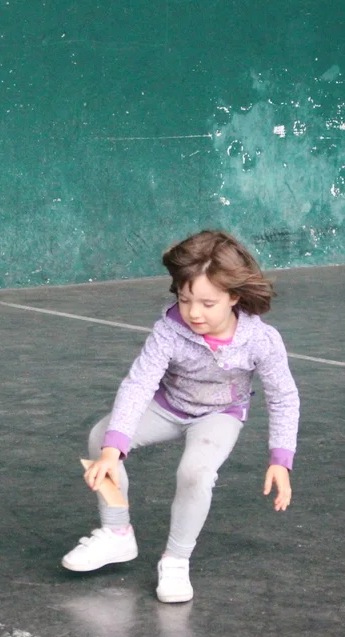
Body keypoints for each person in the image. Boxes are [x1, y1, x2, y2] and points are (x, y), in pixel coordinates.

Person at [61, 230, 300, 603]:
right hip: (168, 405)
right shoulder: (169, 331)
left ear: (234, 296)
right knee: (100, 436)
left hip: (219, 415)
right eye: (185, 300)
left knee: (195, 473)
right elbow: (138, 384)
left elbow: (283, 397)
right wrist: (112, 449)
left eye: (207, 303)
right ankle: (117, 533)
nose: (194, 312)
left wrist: (280, 460)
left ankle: (175, 559)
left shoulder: (260, 340)